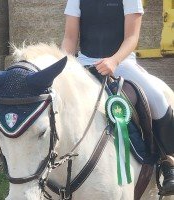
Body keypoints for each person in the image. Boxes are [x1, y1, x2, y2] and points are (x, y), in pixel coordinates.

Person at [61, 0, 174, 195]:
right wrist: (62, 67)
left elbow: (132, 37)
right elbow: (70, 39)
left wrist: (113, 61)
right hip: (84, 62)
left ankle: (168, 162)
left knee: (157, 98)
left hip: (121, 63)